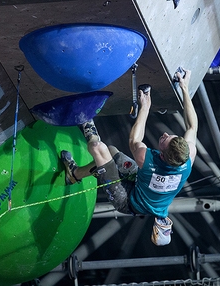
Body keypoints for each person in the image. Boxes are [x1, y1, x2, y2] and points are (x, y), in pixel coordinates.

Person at [61, 68, 198, 246]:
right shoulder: (187, 158)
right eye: (169, 135)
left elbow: (134, 140)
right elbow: (192, 126)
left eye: (164, 139)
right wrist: (185, 88)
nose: (164, 134)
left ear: (162, 156)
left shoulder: (146, 161)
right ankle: (74, 174)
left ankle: (84, 115)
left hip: (128, 200)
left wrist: (145, 106)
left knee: (98, 147)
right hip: (141, 182)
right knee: (111, 151)